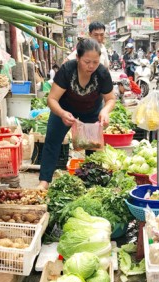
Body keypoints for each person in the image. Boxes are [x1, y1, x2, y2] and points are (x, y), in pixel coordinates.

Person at [37, 38, 115, 190]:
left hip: (92, 111)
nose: (91, 66)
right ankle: (44, 181)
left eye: (95, 62)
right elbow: (52, 99)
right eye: (87, 61)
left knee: (93, 147)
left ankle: (92, 183)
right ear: (78, 58)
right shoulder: (67, 70)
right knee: (52, 142)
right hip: (65, 109)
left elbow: (111, 99)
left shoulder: (102, 73)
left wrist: (104, 112)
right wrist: (61, 113)